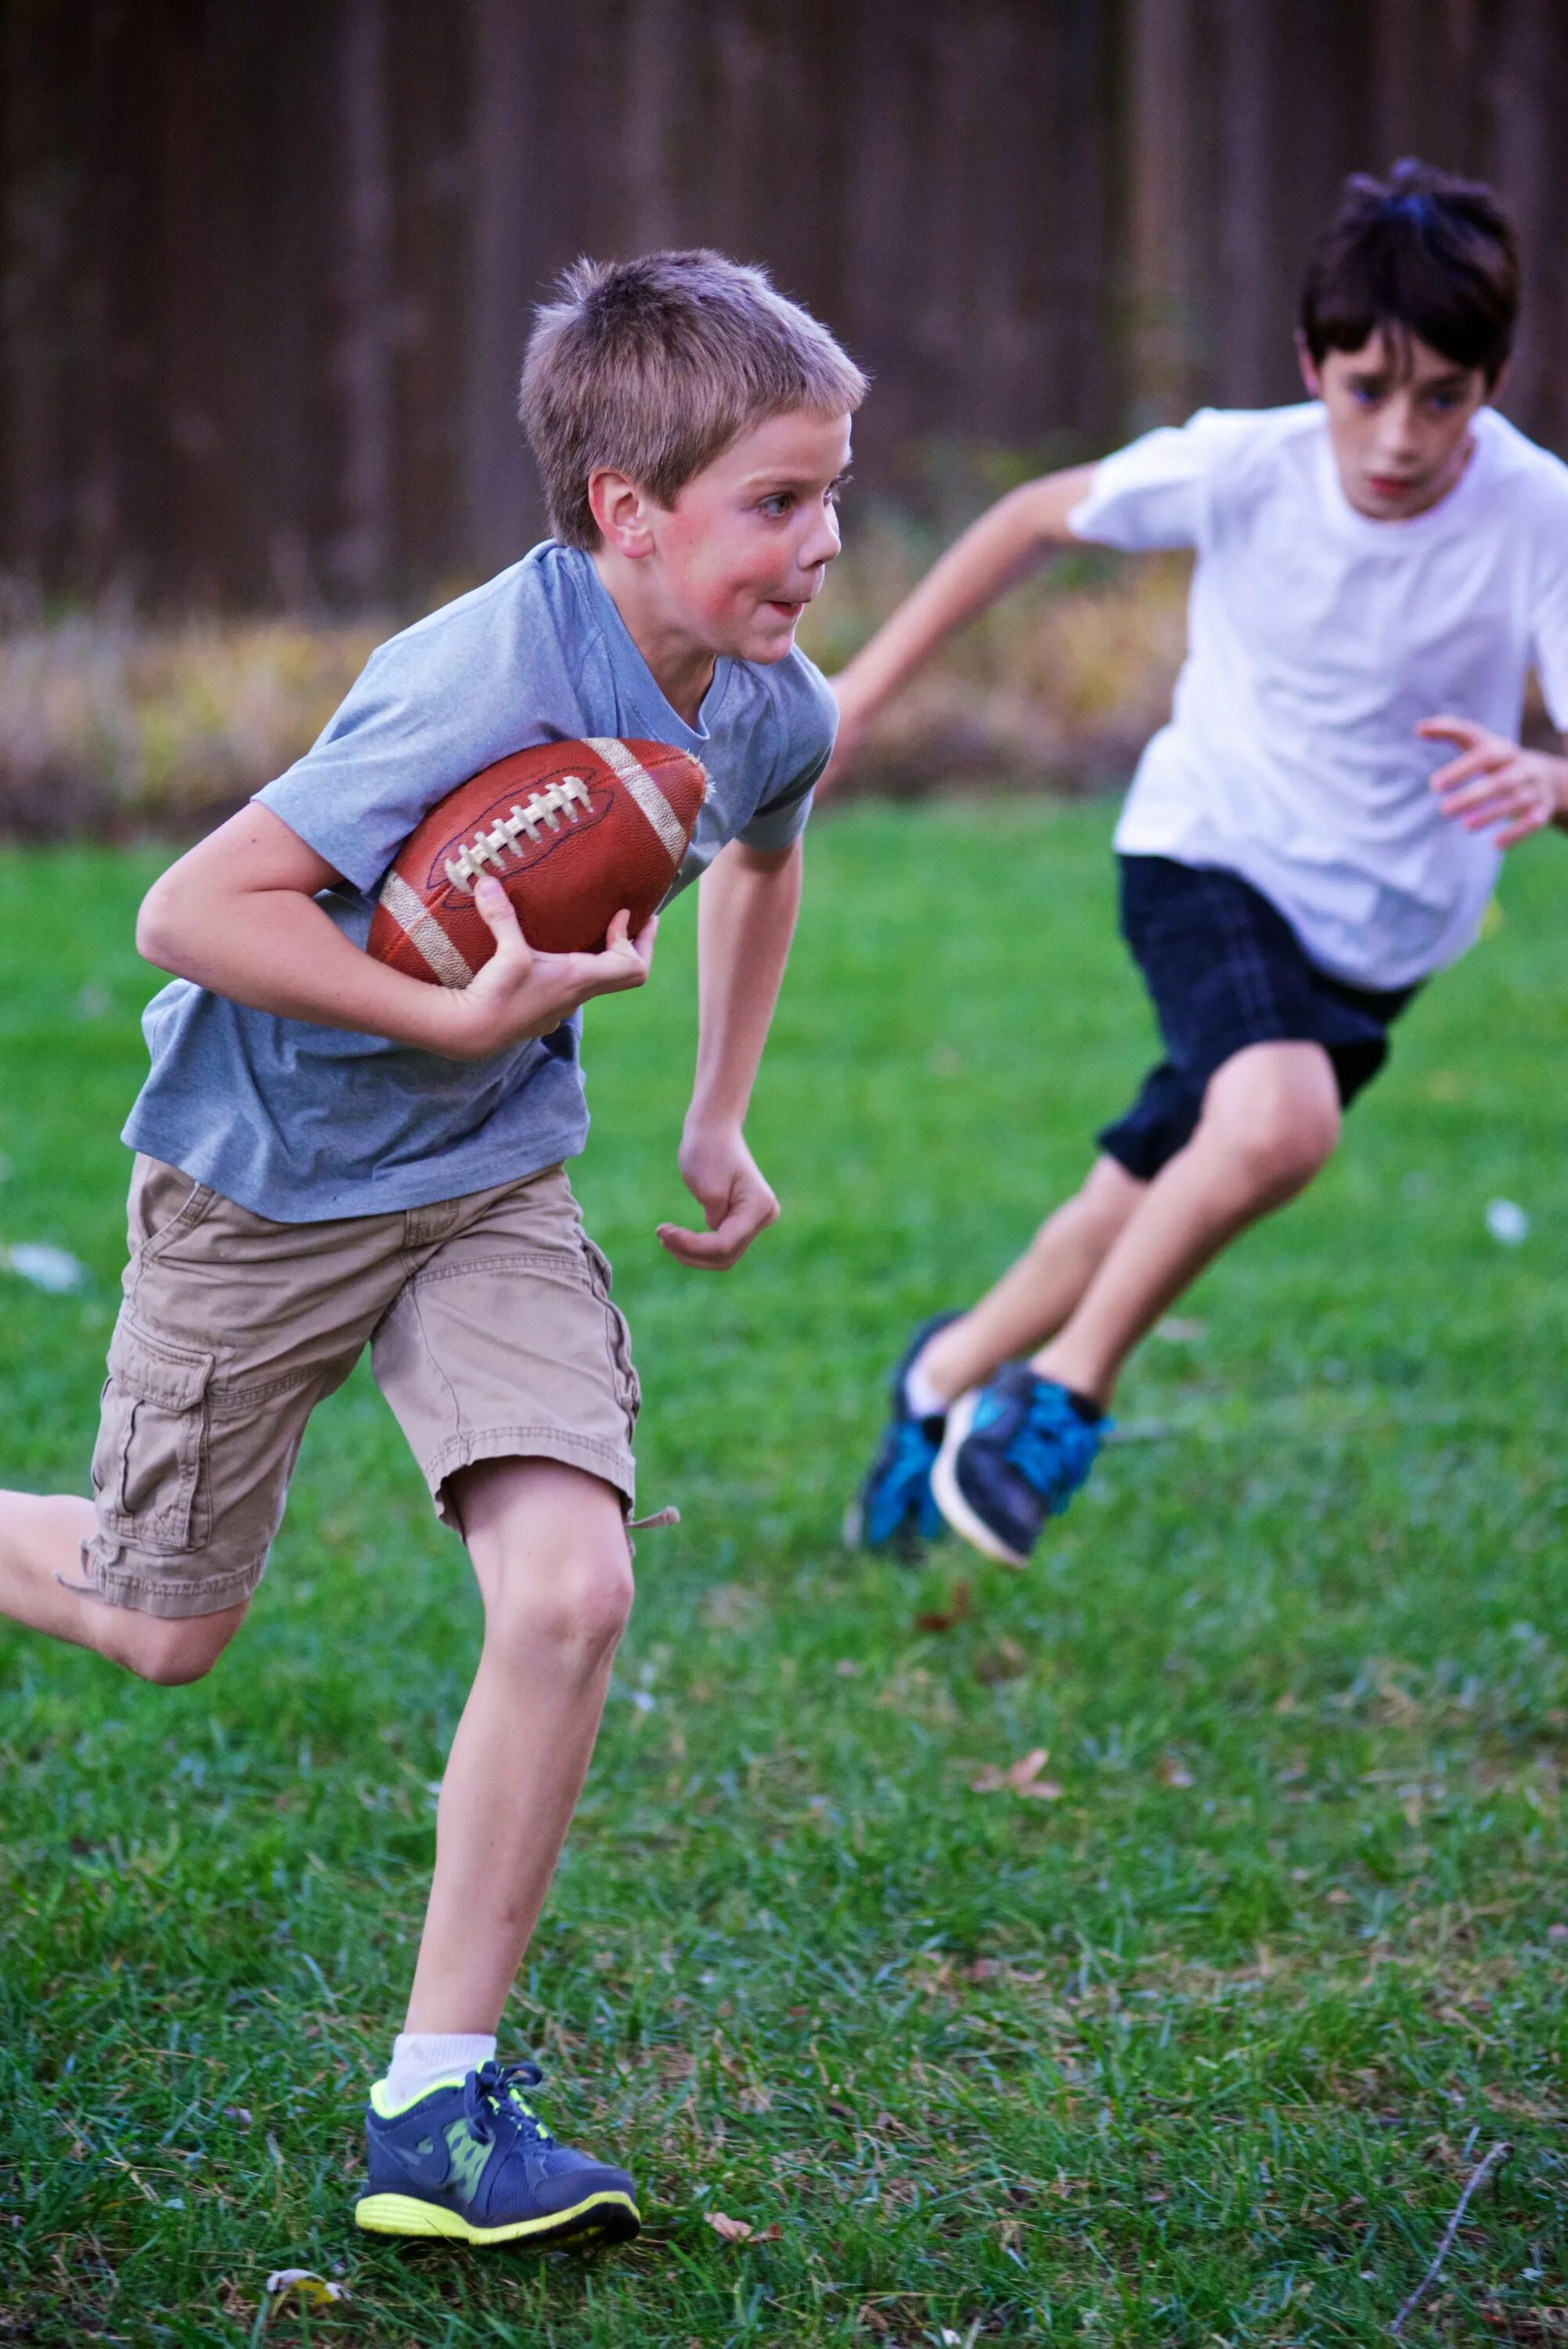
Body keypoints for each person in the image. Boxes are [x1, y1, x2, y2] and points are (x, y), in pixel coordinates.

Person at [0, 250, 864, 2246]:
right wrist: (451, 1011)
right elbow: (191, 909)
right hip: (265, 1179)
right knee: (160, 1630)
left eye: (832, 493)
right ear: (626, 513)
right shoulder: (480, 676)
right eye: (779, 501)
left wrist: (717, 1107)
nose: (823, 543)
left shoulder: (767, 707)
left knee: (569, 1590)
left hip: (487, 1181)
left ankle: (437, 2106)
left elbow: (769, 849)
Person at [837, 159, 1568, 1571]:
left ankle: (938, 1382)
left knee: (1139, 1197)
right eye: (1367, 389)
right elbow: (1031, 516)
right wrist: (860, 696)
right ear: (1313, 365)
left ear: (1493, 383)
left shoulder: (1536, 514)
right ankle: (1061, 1400)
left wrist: (1550, 779)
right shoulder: (1247, 465)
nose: (1403, 436)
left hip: (1382, 938)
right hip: (1210, 854)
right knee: (1278, 1124)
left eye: (1444, 398)